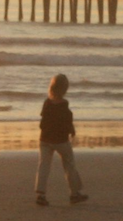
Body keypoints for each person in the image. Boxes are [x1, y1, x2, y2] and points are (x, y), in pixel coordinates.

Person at [34, 74, 87, 206]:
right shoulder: (64, 106)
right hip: (61, 140)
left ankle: (41, 194)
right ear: (65, 89)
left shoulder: (47, 103)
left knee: (44, 166)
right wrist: (71, 131)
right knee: (69, 165)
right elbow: (68, 124)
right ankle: (74, 194)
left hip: (45, 139)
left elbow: (42, 123)